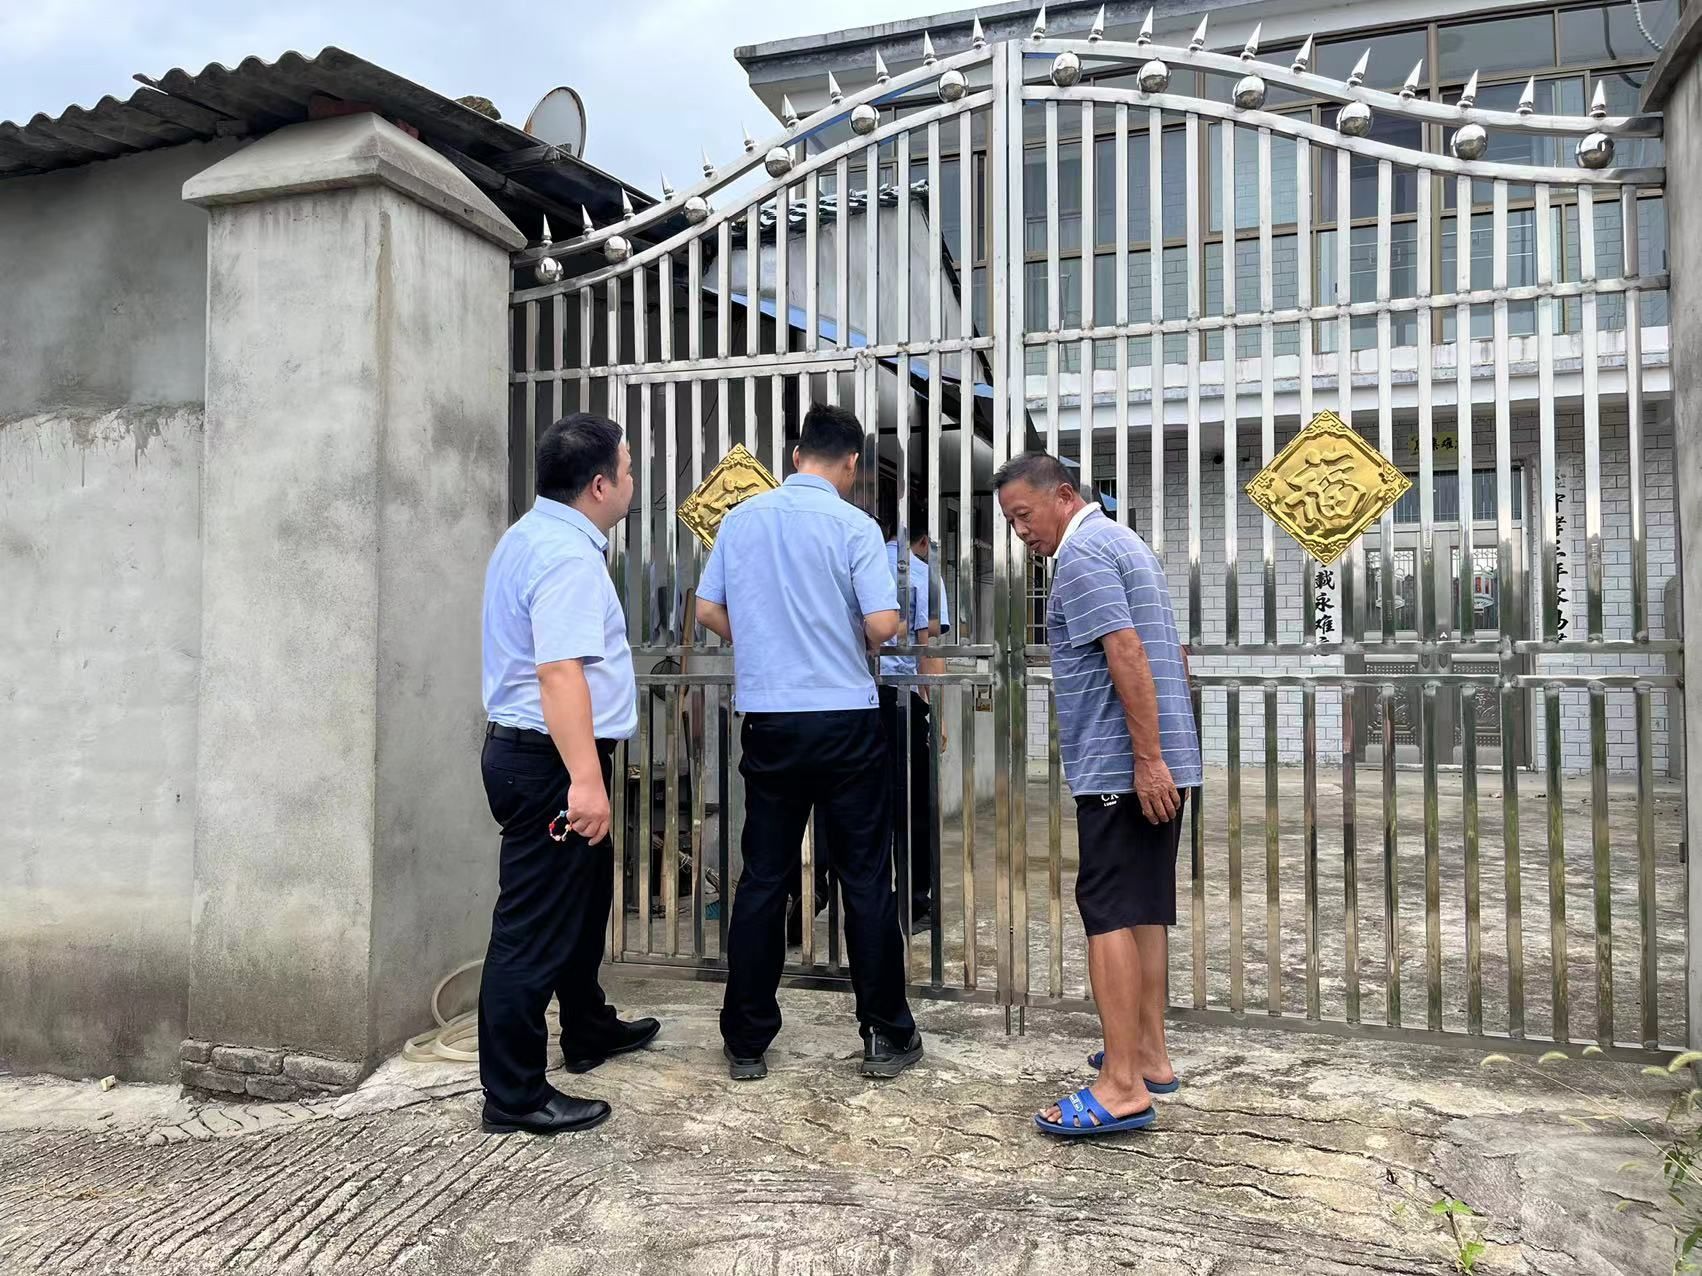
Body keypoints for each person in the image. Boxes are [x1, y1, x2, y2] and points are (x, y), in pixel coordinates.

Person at [696, 403, 922, 1081]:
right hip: (845, 719)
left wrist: (765, 641)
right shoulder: (855, 526)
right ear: (850, 463)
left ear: (796, 457)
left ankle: (746, 1040)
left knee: (764, 879)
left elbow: (706, 609)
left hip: (770, 718)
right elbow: (881, 623)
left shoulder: (741, 520)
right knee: (864, 878)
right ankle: (884, 1033)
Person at [993, 451, 1201, 1136]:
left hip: (1123, 768)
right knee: (1142, 910)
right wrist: (1164, 755)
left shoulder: (1082, 557)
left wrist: (1146, 760)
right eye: (1011, 521)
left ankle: (1121, 1087)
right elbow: (1171, 652)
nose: (1021, 531)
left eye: (1024, 515)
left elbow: (1127, 651)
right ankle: (1147, 1055)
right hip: (1157, 758)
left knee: (1108, 911)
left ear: (1062, 496)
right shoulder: (1124, 542)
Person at [477, 412, 660, 1135]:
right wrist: (585, 780)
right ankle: (514, 1094)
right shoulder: (565, 556)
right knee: (531, 928)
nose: (633, 480)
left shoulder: (533, 537)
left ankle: (586, 1027)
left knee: (580, 908)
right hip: (550, 761)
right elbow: (559, 673)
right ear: (599, 485)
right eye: (628, 468)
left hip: (546, 755)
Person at [879, 510, 951, 930]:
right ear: (923, 541)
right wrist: (936, 714)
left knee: (868, 804)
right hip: (903, 701)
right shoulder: (923, 576)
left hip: (861, 701)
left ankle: (868, 899)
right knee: (914, 806)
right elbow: (929, 651)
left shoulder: (864, 564)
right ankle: (915, 901)